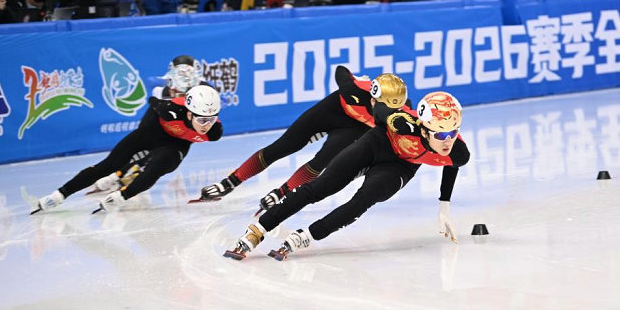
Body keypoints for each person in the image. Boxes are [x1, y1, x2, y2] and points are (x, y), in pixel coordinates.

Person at [224, 90, 470, 261]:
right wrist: (391, 117)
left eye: (453, 132)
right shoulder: (405, 122)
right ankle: (258, 230)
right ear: (424, 130)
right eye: (440, 135)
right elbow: (380, 109)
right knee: (321, 187)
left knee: (363, 200)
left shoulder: (457, 151)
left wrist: (444, 206)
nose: (447, 141)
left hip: (399, 167)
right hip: (376, 145)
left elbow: (453, 164)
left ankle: (305, 236)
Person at [199, 67, 408, 211]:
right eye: (374, 101)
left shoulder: (398, 116)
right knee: (282, 146)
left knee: (321, 161)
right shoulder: (355, 90)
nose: (376, 107)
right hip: (332, 110)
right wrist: (354, 78)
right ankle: (230, 182)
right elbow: (340, 70)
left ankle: (282, 193)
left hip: (354, 129)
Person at [32, 85, 223, 215]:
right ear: (189, 114)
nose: (206, 125)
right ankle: (59, 195)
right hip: (151, 132)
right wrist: (158, 100)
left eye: (211, 119)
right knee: (108, 165)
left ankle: (121, 196)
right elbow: (153, 100)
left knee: (158, 167)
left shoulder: (214, 132)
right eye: (201, 120)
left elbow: (208, 125)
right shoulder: (171, 110)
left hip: (176, 145)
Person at [89, 55, 207, 194]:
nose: (184, 75)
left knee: (164, 151)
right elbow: (151, 82)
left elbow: (215, 95)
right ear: (173, 70)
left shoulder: (201, 84)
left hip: (182, 123)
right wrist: (169, 82)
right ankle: (118, 174)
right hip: (161, 115)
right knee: (143, 140)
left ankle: (129, 174)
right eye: (180, 72)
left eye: (187, 71)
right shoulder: (169, 79)